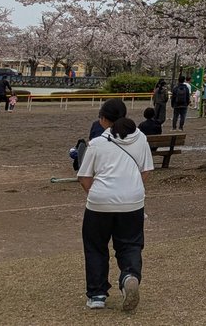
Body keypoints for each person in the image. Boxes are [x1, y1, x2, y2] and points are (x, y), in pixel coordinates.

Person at [78, 99, 152, 312]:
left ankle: (97, 294)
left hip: (100, 202)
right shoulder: (141, 139)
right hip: (132, 201)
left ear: (103, 119)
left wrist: (97, 193)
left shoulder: (97, 143)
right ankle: (129, 275)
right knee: (130, 244)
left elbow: (84, 177)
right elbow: (146, 171)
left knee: (95, 246)